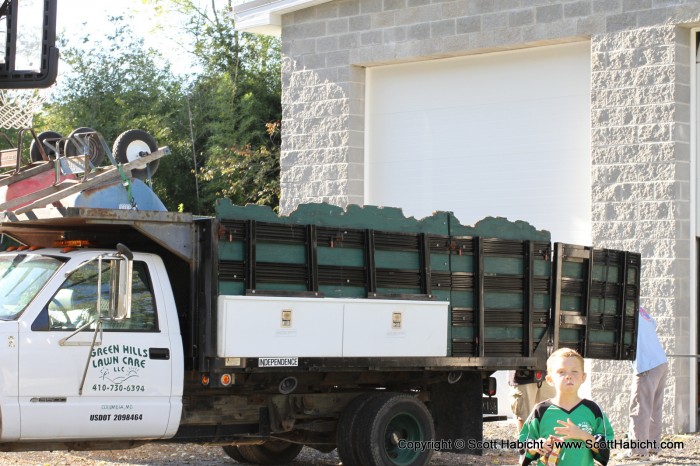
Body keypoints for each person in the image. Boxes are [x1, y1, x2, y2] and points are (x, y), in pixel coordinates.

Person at [518, 348, 613, 466]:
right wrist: (536, 446)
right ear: (550, 379)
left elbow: (605, 448)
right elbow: (523, 444)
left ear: (583, 377)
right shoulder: (540, 410)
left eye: (574, 371)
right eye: (561, 372)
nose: (568, 376)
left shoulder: (594, 410)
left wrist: (583, 435)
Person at [620, 306, 668, 458]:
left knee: (640, 408)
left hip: (646, 364)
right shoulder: (640, 310)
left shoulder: (623, 310)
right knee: (654, 408)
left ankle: (637, 451)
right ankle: (654, 447)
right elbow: (652, 325)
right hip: (661, 361)